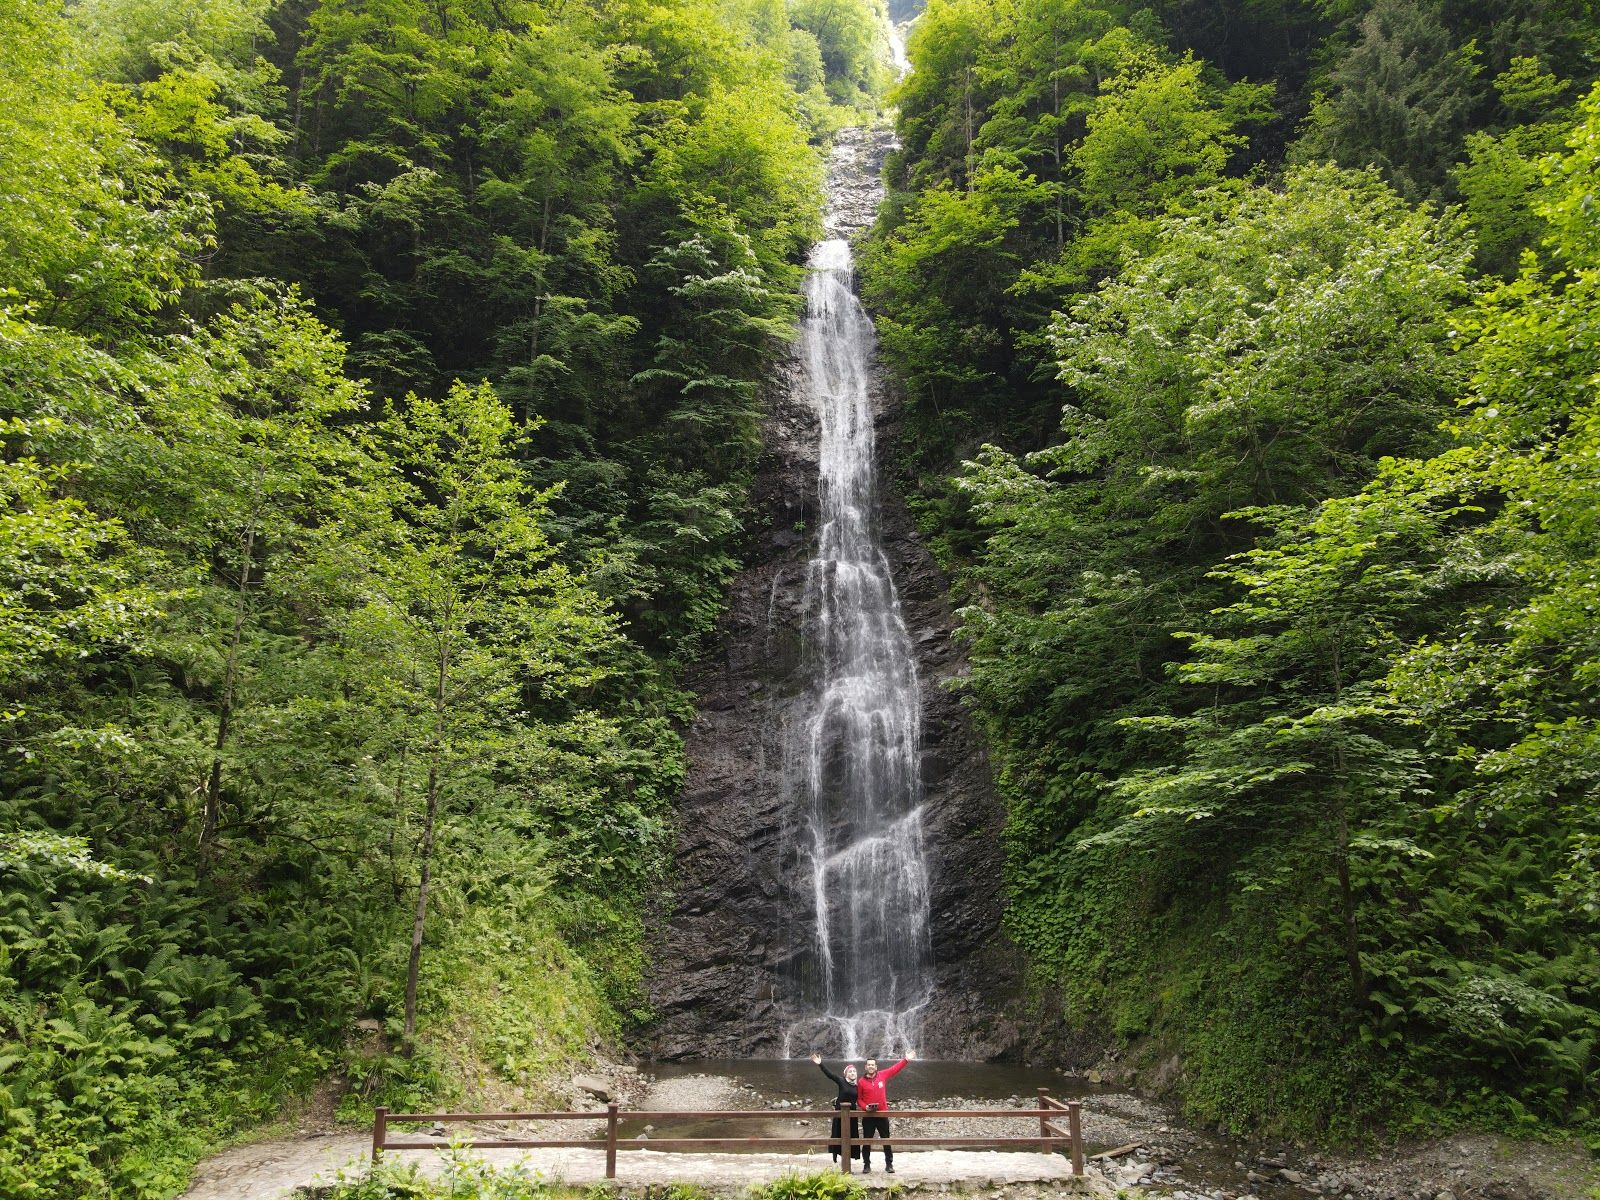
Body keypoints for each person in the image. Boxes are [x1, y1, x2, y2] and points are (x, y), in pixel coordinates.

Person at [854, 1049, 913, 1173]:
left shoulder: (882, 1075)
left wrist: (906, 1059)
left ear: (876, 1067)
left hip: (882, 1114)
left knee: (886, 1140)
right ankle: (866, 1165)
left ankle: (889, 1164)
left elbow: (895, 1069)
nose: (870, 1067)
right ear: (866, 1067)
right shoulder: (861, 1081)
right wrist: (865, 1107)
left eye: (872, 1065)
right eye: (868, 1065)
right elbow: (859, 1099)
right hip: (868, 1116)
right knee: (866, 1141)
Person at [810, 1053, 860, 1162]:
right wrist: (820, 1064)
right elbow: (830, 1075)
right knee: (837, 1133)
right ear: (846, 1073)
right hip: (840, 1113)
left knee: (851, 1134)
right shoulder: (841, 1081)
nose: (852, 1073)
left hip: (852, 1114)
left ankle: (849, 1157)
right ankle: (835, 1155)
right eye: (850, 1071)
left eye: (854, 1071)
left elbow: (862, 1098)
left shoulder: (858, 1085)